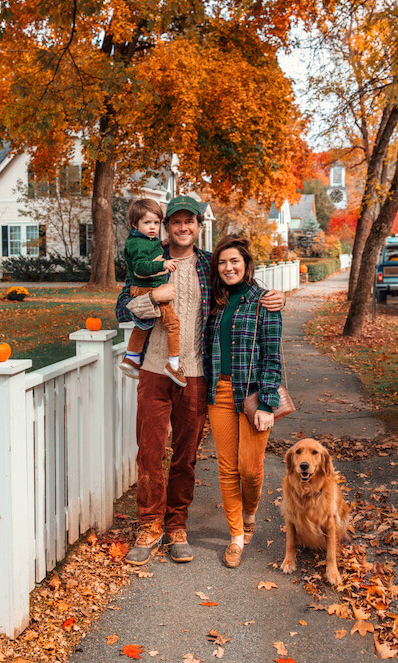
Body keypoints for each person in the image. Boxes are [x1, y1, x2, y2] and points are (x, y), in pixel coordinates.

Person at [116, 195, 285, 566]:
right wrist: (153, 298)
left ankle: (177, 526)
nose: (182, 228)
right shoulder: (150, 259)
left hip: (195, 375)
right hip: (154, 372)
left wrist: (275, 298)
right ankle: (149, 526)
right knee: (149, 452)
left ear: (197, 225)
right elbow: (122, 307)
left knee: (186, 457)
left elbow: (242, 287)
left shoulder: (210, 265)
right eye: (175, 222)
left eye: (188, 221)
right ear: (166, 226)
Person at [205, 235, 282, 569]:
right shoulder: (215, 302)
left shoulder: (264, 301)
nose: (228, 267)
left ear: (246, 264)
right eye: (222, 262)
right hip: (218, 393)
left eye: (234, 261)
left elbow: (272, 355)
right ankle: (236, 537)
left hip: (251, 395)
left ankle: (250, 512)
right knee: (226, 468)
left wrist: (267, 403)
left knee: (249, 470)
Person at [120, 198, 186, 387]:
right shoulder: (137, 244)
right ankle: (173, 364)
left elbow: (150, 251)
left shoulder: (145, 240)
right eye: (147, 222)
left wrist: (162, 244)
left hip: (146, 288)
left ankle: (131, 358)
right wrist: (163, 264)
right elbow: (140, 267)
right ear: (135, 224)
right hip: (149, 288)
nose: (152, 227)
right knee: (173, 324)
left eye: (156, 223)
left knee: (145, 323)